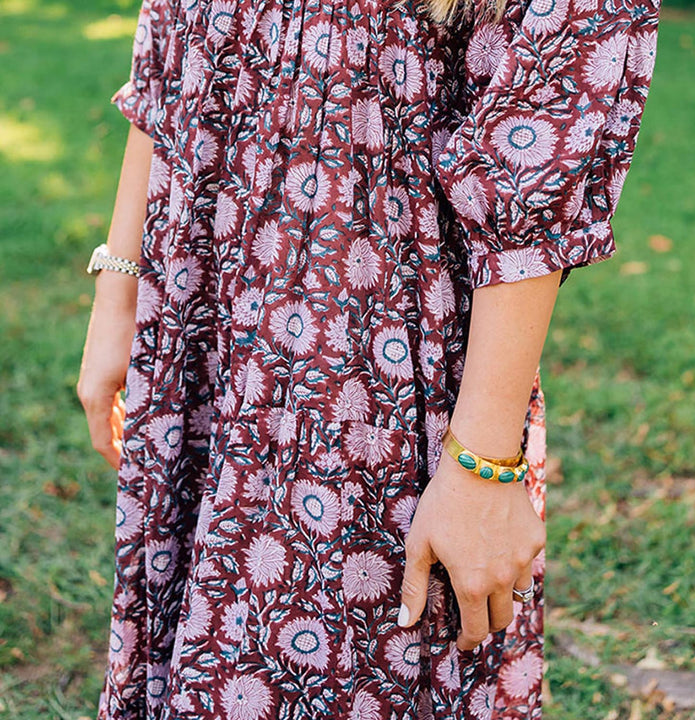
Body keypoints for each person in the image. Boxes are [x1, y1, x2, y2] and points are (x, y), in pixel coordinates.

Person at [76, 0, 660, 715]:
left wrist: (481, 462)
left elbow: (547, 123)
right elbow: (174, 40)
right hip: (203, 298)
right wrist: (120, 289)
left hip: (361, 351)